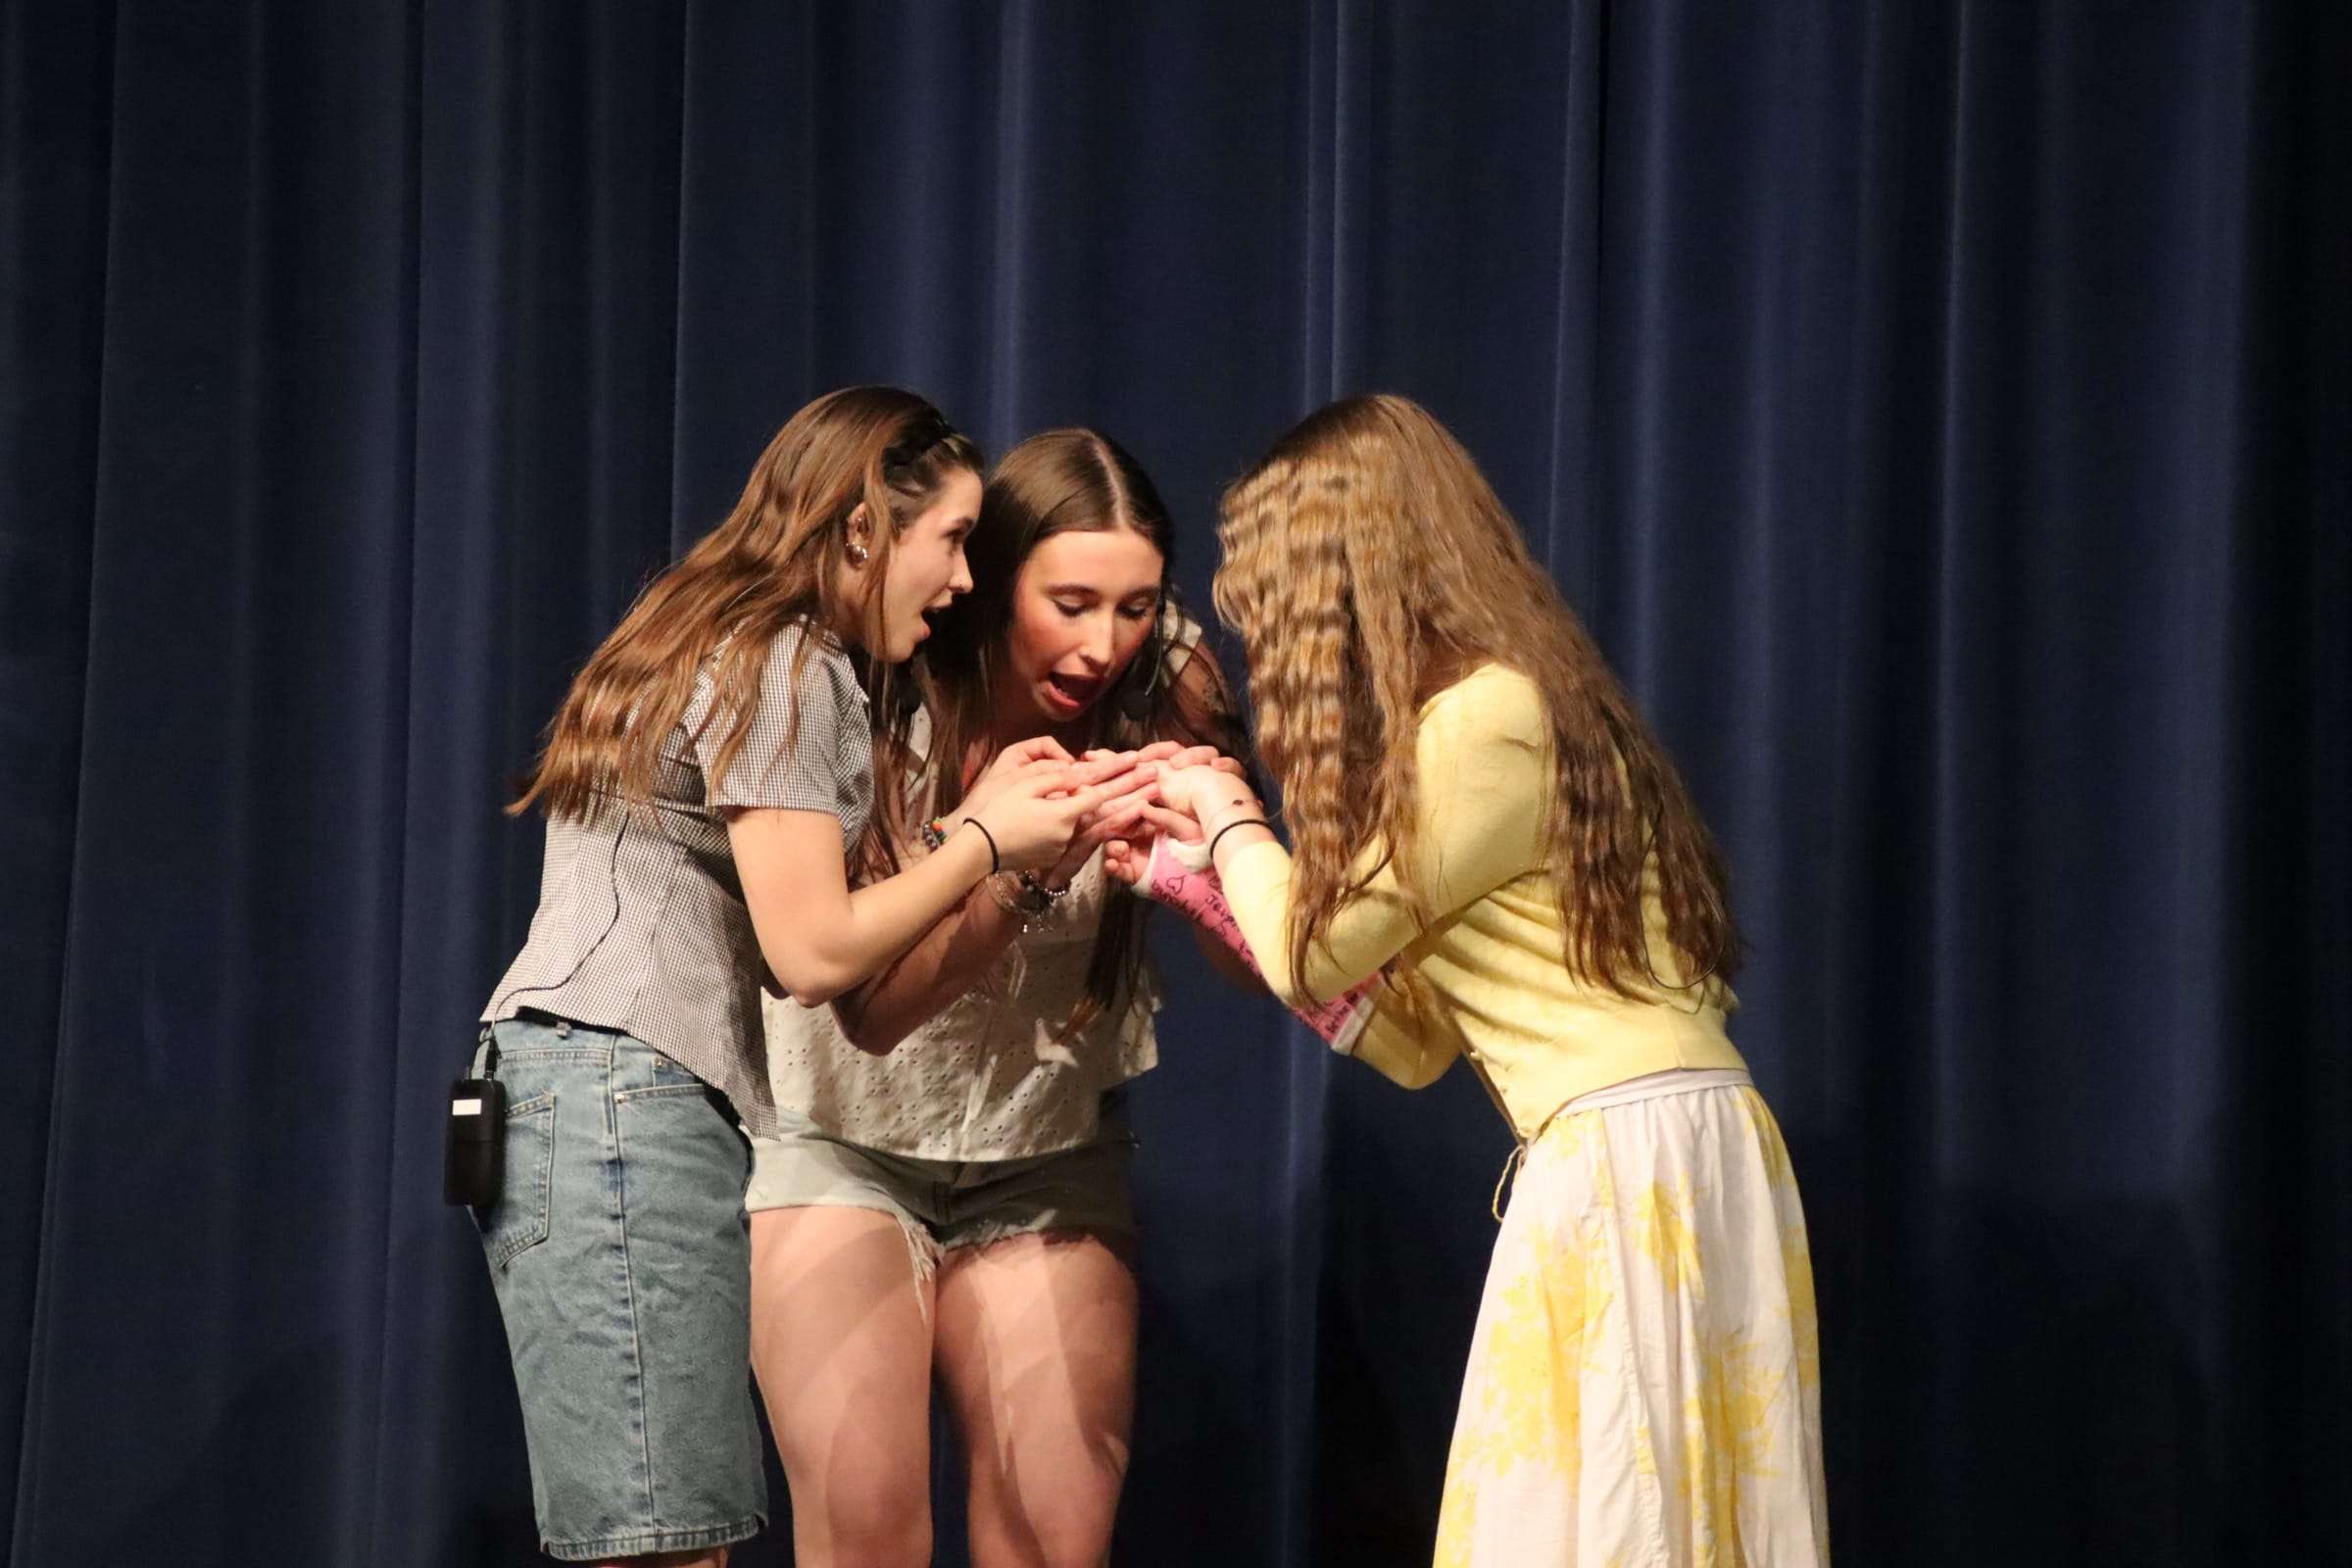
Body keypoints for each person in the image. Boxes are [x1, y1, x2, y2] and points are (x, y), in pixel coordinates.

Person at [1112, 394, 1829, 1566]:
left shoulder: (1481, 722)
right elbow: (1414, 1042)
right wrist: (1201, 883)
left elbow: (1308, 950)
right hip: (1656, 1144)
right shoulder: (1513, 706)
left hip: (1626, 1156)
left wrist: (1228, 813)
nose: (1263, 623)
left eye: (1273, 589)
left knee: (1598, 1523)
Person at [469, 389, 1149, 1567]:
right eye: (951, 541)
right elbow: (816, 951)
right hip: (621, 1095)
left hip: (609, 1097)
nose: (962, 581)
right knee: (666, 1542)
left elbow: (857, 1000)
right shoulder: (785, 655)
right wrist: (984, 837)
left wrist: (1007, 864)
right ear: (861, 527)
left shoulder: (729, 631)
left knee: (675, 1536)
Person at [744, 428, 1255, 1568]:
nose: (1103, 643)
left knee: (1053, 1534)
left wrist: (1213, 852)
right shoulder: (893, 677)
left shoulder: (1166, 684)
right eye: (1070, 603)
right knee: (867, 1527)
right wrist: (1017, 868)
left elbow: (1261, 959)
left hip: (1047, 1151)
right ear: (995, 576)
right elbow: (872, 1012)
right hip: (841, 1136)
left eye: (1135, 607)